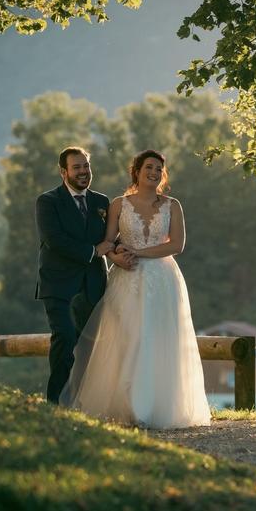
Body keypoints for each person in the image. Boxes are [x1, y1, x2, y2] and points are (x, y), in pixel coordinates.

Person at [60, 149, 211, 428]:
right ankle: (128, 407)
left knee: (157, 339)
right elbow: (108, 242)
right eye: (148, 168)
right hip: (126, 278)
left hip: (162, 280)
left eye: (158, 169)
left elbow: (176, 245)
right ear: (137, 172)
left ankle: (152, 407)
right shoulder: (119, 204)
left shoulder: (172, 205)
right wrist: (116, 256)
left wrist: (140, 253)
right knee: (127, 339)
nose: (153, 173)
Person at [34, 146, 135, 403]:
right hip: (57, 283)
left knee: (89, 345)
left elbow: (110, 237)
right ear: (63, 171)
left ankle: (82, 401)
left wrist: (122, 248)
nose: (83, 172)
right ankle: (55, 402)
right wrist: (93, 251)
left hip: (92, 284)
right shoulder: (48, 201)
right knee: (65, 338)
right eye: (77, 167)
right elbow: (54, 240)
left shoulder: (102, 202)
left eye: (86, 166)